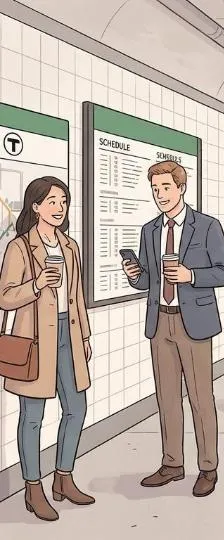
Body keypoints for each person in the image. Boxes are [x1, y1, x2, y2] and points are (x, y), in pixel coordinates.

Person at [122, 160, 224, 497]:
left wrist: (192, 276)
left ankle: (208, 467)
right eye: (155, 189)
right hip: (160, 322)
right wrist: (134, 276)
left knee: (201, 398)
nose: (160, 195)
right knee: (167, 398)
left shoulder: (207, 226)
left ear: (182, 188)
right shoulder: (150, 230)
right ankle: (172, 463)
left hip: (194, 324)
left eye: (166, 188)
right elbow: (147, 280)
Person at [0, 177, 94, 521]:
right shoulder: (20, 247)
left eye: (64, 202)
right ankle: (32, 488)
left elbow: (77, 296)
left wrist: (84, 336)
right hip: (36, 339)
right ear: (36, 206)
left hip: (68, 335)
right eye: (52, 201)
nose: (59, 208)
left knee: (76, 408)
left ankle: (63, 478)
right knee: (33, 418)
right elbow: (5, 296)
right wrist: (37, 284)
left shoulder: (69, 246)